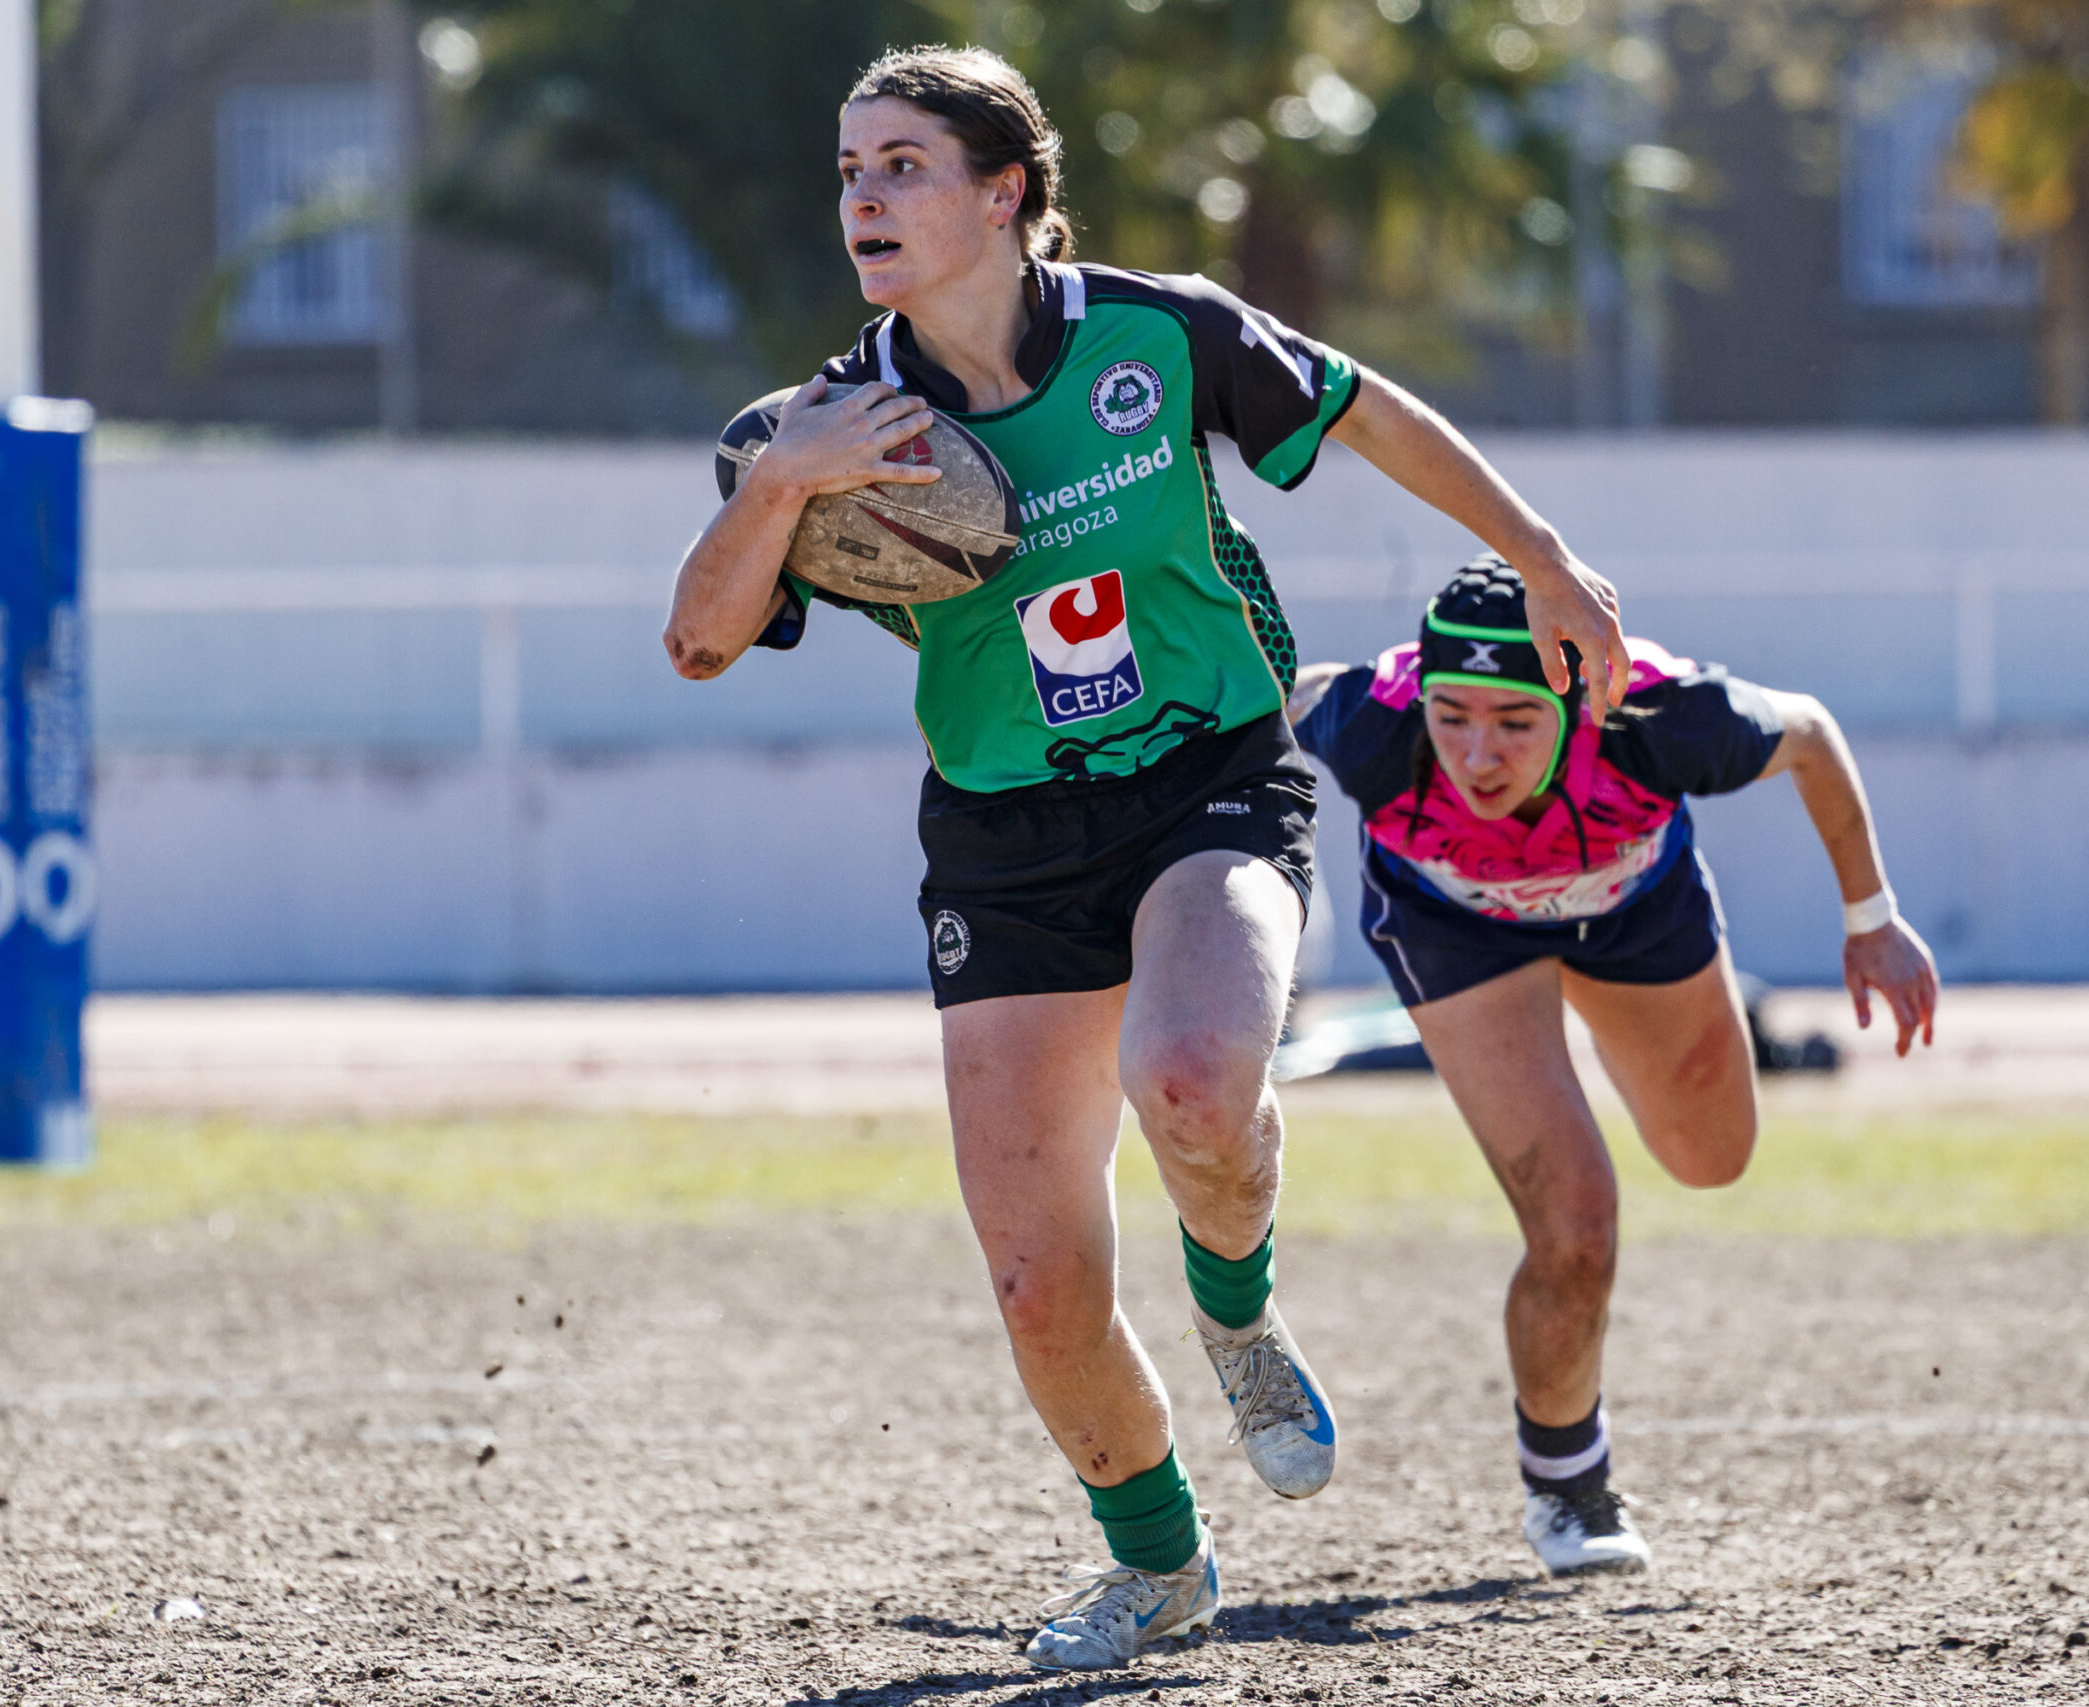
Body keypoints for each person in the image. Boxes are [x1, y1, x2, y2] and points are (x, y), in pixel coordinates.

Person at [659, 47, 1630, 1670]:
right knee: (1039, 1279)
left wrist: (1541, 559)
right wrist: (779, 485)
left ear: (1004, 192)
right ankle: (1160, 1566)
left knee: (1192, 1073)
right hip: (1003, 844)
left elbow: (1368, 410)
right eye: (848, 172)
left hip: (1208, 780)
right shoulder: (818, 428)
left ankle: (1236, 1303)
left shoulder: (1157, 334)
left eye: (902, 165)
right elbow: (700, 642)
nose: (865, 199)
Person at [1289, 555, 1940, 1577]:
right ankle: (1566, 1488)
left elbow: (1809, 733)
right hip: (1457, 931)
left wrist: (1871, 920)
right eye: (1452, 716)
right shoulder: (1372, 724)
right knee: (1576, 1225)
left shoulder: (1656, 717)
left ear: (1578, 694)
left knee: (1711, 1158)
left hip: (1635, 911)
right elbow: (1263, 690)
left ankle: (1597, 1040)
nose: (1475, 754)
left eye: (1513, 722)